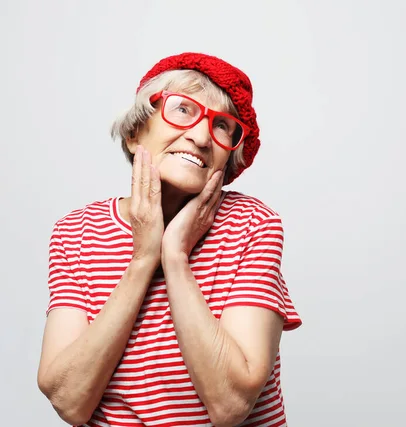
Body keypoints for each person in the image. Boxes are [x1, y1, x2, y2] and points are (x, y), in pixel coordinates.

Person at [37, 52, 302, 427]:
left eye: (223, 126)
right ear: (134, 133)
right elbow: (68, 401)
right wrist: (143, 258)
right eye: (182, 110)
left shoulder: (253, 225)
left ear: (229, 160)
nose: (199, 137)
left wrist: (175, 255)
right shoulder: (77, 232)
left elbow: (231, 404)